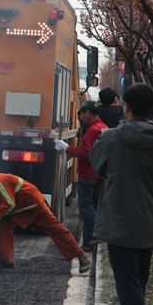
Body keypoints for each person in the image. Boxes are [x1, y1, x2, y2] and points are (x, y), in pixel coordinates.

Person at [90, 83, 153, 305]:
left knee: (128, 286)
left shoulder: (110, 139)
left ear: (125, 107)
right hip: (149, 223)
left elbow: (97, 167)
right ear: (152, 108)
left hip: (119, 223)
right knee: (138, 282)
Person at [54, 100, 107, 251]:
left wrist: (66, 147)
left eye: (82, 114)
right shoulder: (104, 128)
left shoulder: (91, 131)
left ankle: (99, 231)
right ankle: (89, 242)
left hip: (87, 173)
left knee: (86, 208)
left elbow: (85, 153)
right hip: (100, 174)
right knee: (94, 207)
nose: (81, 118)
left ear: (88, 113)